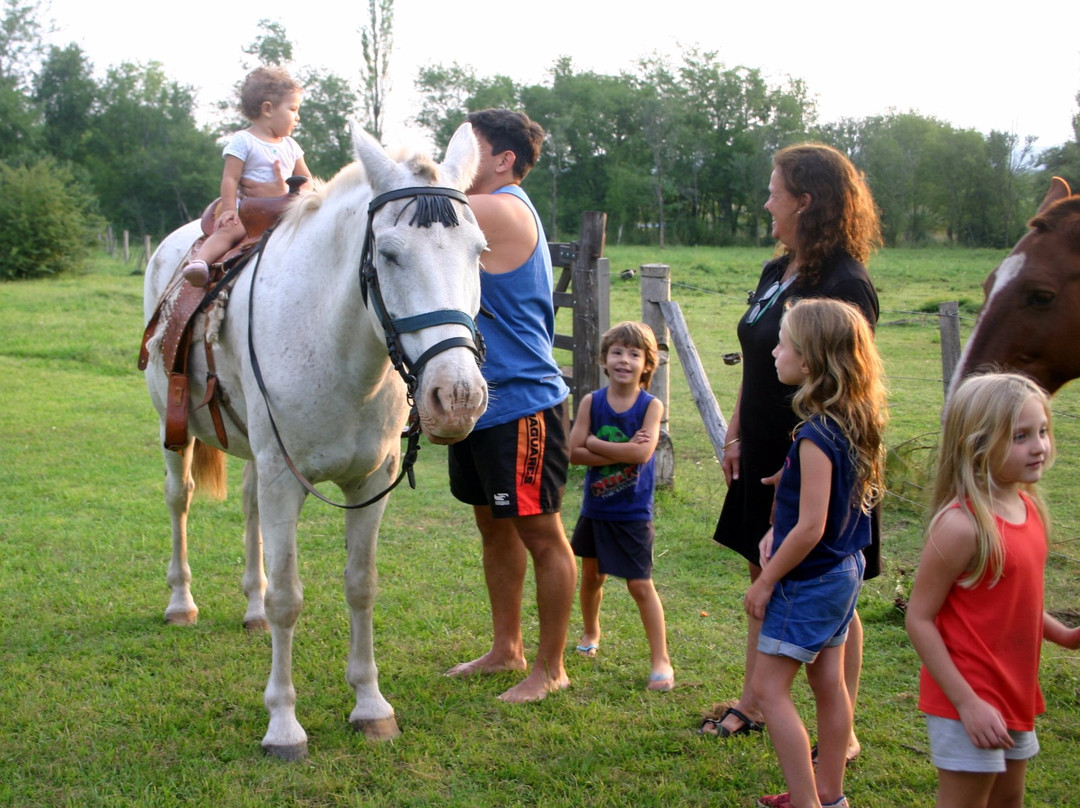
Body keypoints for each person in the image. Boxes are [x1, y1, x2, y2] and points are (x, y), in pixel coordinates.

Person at [705, 144, 881, 760]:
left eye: (774, 190)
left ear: (804, 201)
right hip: (761, 450)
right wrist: (736, 429)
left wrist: (800, 468)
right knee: (764, 569)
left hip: (814, 461)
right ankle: (753, 703)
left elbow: (849, 385)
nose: (766, 202)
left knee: (829, 588)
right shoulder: (776, 269)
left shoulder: (845, 283)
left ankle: (844, 731)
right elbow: (759, 361)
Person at [443, 109, 578, 703]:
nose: (457, 161)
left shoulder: (498, 208)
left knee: (540, 534)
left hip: (521, 403)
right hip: (480, 401)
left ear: (502, 161)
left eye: (468, 150)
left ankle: (550, 669)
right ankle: (507, 648)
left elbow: (412, 207)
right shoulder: (485, 205)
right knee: (493, 528)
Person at [905, 373, 1080, 808]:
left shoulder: (1028, 506)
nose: (1039, 445)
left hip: (1015, 691)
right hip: (969, 698)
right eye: (1020, 436)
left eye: (1042, 431)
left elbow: (1016, 607)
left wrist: (1066, 636)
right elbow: (920, 618)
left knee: (1009, 799)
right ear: (977, 445)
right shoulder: (961, 525)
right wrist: (967, 703)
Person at [746, 298, 888, 808]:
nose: (775, 351)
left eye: (784, 343)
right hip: (844, 570)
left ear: (809, 362)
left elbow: (810, 528)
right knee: (829, 683)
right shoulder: (852, 420)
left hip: (809, 578)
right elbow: (825, 495)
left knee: (769, 691)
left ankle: (807, 804)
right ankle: (829, 793)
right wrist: (787, 491)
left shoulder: (813, 434)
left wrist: (765, 580)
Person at [568, 321, 673, 691]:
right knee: (592, 577)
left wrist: (596, 443)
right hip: (595, 510)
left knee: (639, 584)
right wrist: (617, 450)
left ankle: (661, 660)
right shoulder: (591, 402)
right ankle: (591, 631)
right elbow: (572, 452)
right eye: (617, 352)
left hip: (632, 513)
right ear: (604, 359)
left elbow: (642, 454)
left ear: (647, 364)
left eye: (634, 354)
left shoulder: (651, 406)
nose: (624, 360)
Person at [182, 66, 311, 287]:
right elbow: (230, 178)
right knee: (231, 230)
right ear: (268, 109)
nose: (297, 117)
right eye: (292, 109)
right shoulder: (244, 141)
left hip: (285, 208)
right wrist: (231, 209)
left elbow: (307, 180)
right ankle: (200, 262)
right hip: (250, 209)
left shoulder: (291, 146)